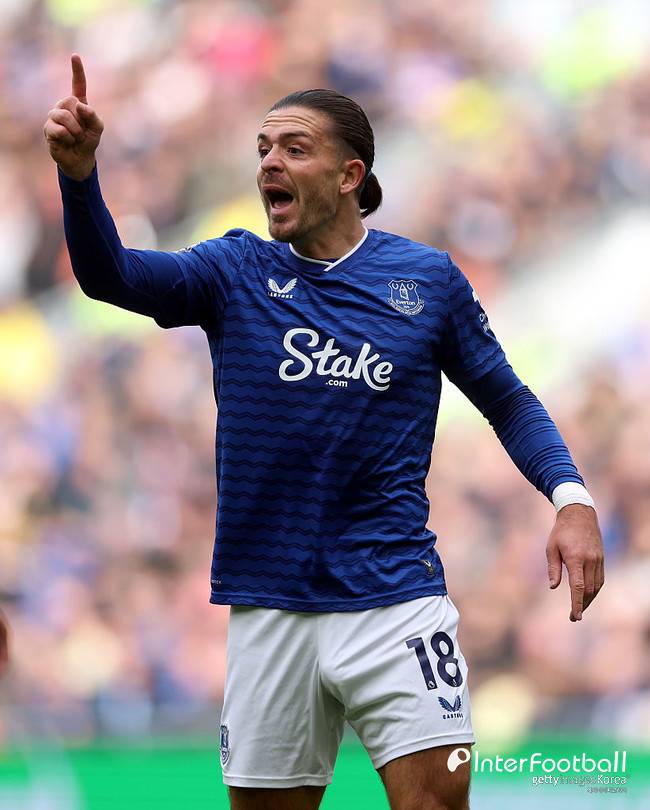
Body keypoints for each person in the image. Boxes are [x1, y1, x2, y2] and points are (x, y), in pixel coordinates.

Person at [45, 54, 605, 810]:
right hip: (269, 605)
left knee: (436, 802)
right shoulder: (234, 271)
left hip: (395, 596)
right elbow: (111, 276)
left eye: (293, 148)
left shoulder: (425, 281)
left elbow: (506, 398)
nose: (269, 163)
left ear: (349, 175)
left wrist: (571, 498)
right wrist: (80, 178)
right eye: (263, 150)